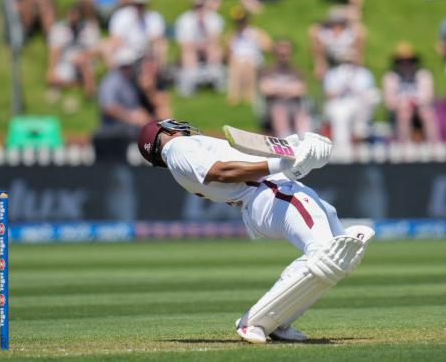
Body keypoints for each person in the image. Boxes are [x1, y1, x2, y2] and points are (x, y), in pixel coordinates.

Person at [137, 118, 374, 344]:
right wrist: (281, 164)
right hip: (270, 193)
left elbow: (236, 166)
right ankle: (253, 322)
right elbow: (222, 172)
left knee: (339, 255)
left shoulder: (180, 159)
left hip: (269, 193)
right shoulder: (178, 148)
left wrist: (292, 148)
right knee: (325, 253)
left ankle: (278, 322)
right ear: (165, 131)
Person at [97, 48, 163, 142]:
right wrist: (131, 116)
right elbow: (108, 107)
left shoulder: (128, 79)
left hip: (127, 126)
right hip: (115, 128)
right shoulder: (112, 80)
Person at [382, 43, 440, 143]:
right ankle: (404, 145)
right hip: (399, 110)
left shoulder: (423, 75)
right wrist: (402, 103)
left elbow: (429, 96)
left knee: (427, 113)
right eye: (402, 61)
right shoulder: (391, 77)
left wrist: (416, 102)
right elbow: (389, 102)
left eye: (409, 61)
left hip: (420, 107)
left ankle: (435, 144)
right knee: (404, 112)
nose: (406, 64)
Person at [323, 55, 380, 151]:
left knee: (371, 100)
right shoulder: (332, 73)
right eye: (345, 61)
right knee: (340, 114)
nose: (348, 64)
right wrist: (342, 86)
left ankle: (361, 134)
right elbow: (329, 94)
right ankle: (342, 147)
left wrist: (355, 87)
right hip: (339, 104)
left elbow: (371, 93)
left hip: (360, 104)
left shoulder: (365, 74)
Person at [47, 4, 100, 105]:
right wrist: (51, 69)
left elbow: (95, 50)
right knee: (54, 79)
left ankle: (90, 92)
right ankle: (78, 84)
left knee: (85, 64)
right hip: (66, 63)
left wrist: (83, 57)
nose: (73, 18)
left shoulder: (90, 28)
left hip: (85, 61)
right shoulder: (59, 29)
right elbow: (55, 50)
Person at [175, 0, 225, 96]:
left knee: (214, 49)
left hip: (208, 47)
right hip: (192, 49)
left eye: (202, 6)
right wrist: (198, 45)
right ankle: (190, 84)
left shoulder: (214, 18)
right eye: (197, 6)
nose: (200, 9)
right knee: (188, 53)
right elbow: (183, 43)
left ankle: (215, 78)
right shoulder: (185, 19)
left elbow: (215, 39)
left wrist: (204, 24)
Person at [258, 40, 311, 138]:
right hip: (274, 106)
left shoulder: (296, 71)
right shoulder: (268, 71)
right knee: (280, 111)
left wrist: (277, 88)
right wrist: (289, 89)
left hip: (294, 106)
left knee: (302, 115)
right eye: (281, 54)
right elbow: (265, 89)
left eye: (286, 54)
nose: (283, 57)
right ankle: (285, 139)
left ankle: (303, 140)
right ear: (276, 54)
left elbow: (301, 90)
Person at [107, 0, 167, 67]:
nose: (139, 7)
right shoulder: (121, 16)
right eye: (137, 4)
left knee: (160, 47)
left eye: (142, 4)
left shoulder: (154, 18)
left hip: (147, 51)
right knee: (111, 48)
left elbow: (157, 39)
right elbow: (116, 39)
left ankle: (160, 73)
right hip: (126, 50)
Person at [227, 7, 272, 105]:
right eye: (238, 21)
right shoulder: (232, 35)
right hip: (238, 61)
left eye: (242, 21)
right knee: (236, 64)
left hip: (254, 59)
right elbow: (227, 52)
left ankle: (249, 94)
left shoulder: (256, 32)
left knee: (247, 64)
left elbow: (268, 47)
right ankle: (234, 95)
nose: (240, 23)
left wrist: (258, 41)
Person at [309, 6, 366, 79]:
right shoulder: (323, 31)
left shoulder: (353, 31)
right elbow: (314, 31)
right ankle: (322, 66)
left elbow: (359, 44)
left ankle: (357, 68)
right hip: (331, 54)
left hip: (347, 54)